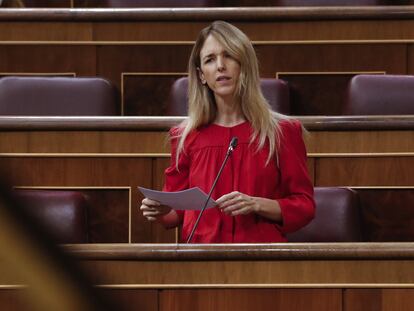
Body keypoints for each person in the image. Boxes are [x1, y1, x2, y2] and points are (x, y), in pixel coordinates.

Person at [140, 21, 315, 243]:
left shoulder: (282, 132)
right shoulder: (185, 136)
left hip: (263, 261)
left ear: (244, 65)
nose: (220, 66)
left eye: (229, 56)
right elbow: (177, 213)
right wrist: (161, 211)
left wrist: (257, 204)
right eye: (210, 60)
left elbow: (305, 206)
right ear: (202, 75)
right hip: (201, 262)